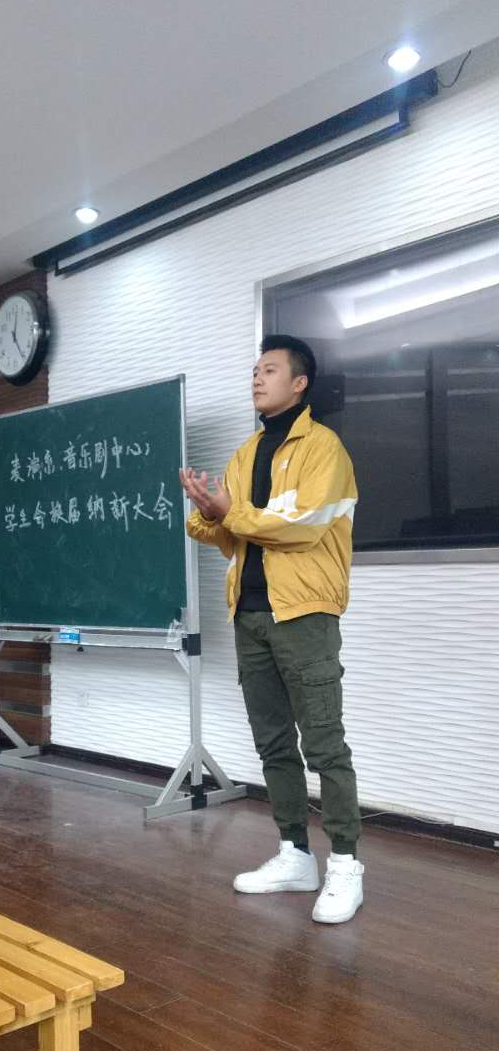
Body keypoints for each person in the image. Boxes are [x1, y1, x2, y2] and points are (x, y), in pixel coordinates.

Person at [179, 335, 363, 924]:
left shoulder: (324, 448)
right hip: (251, 614)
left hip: (305, 613)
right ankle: (295, 854)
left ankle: (345, 864)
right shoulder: (247, 452)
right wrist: (208, 511)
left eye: (270, 370)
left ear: (299, 383)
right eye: (255, 370)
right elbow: (232, 532)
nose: (257, 378)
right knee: (274, 743)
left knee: (324, 745)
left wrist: (230, 511)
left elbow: (302, 525)